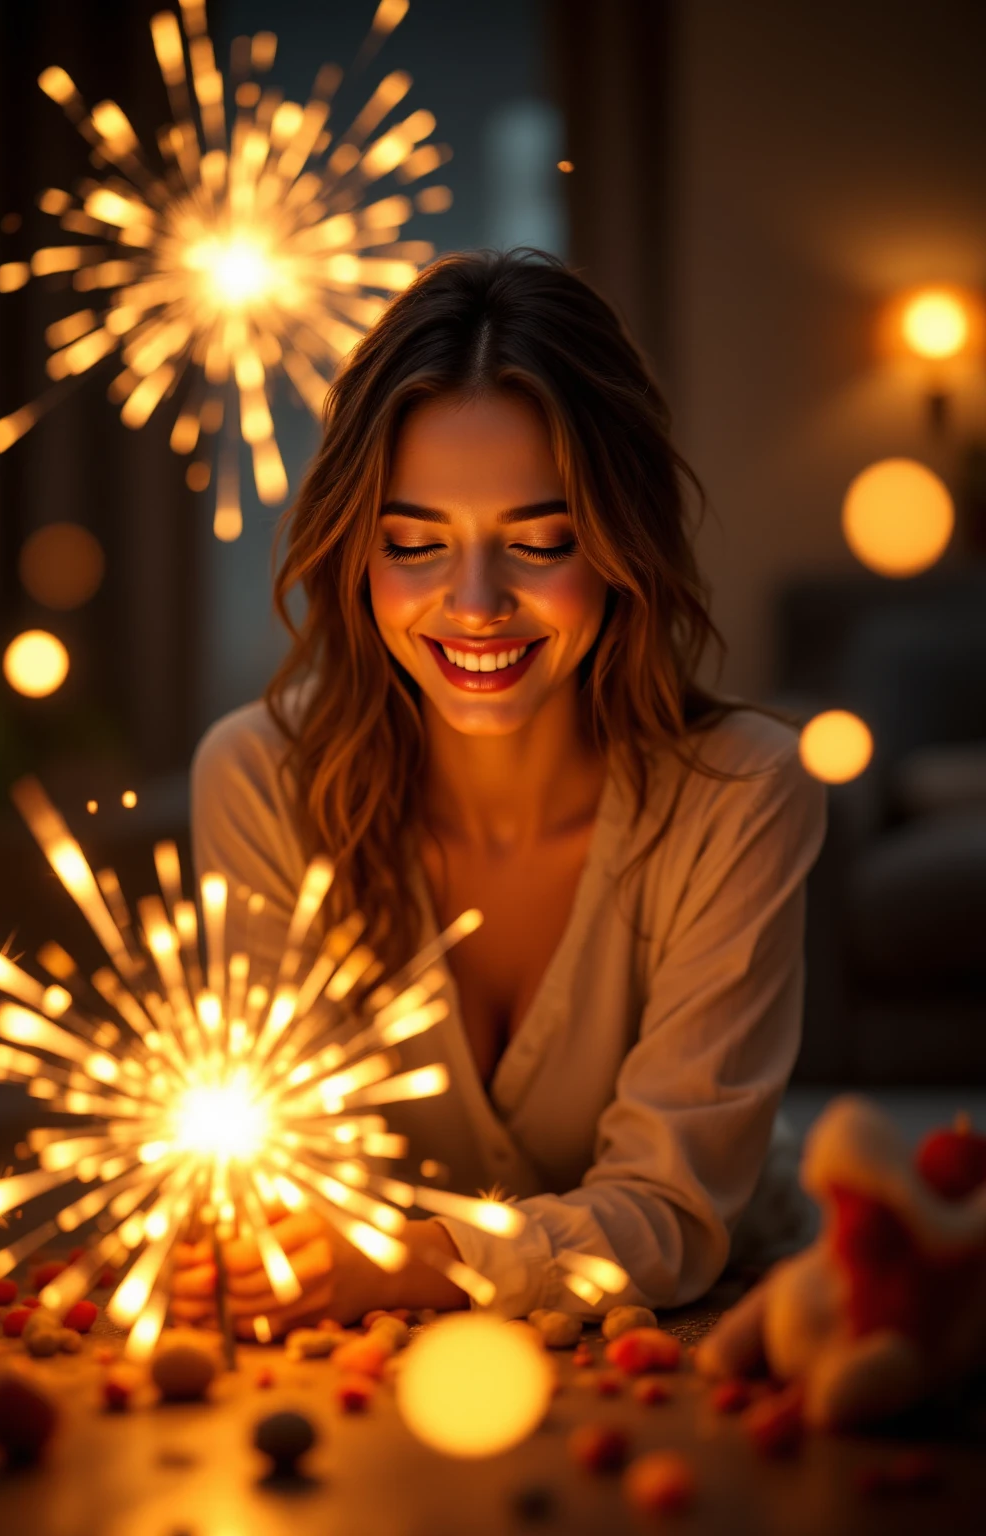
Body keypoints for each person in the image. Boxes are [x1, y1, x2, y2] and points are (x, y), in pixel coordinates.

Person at [172, 249, 826, 1338]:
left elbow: (666, 1217)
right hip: (375, 1353)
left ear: (621, 545)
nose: (475, 604)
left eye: (539, 542)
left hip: (703, 1324)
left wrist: (405, 1265)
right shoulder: (256, 781)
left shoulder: (742, 794)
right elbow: (295, 1186)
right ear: (353, 554)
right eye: (414, 544)